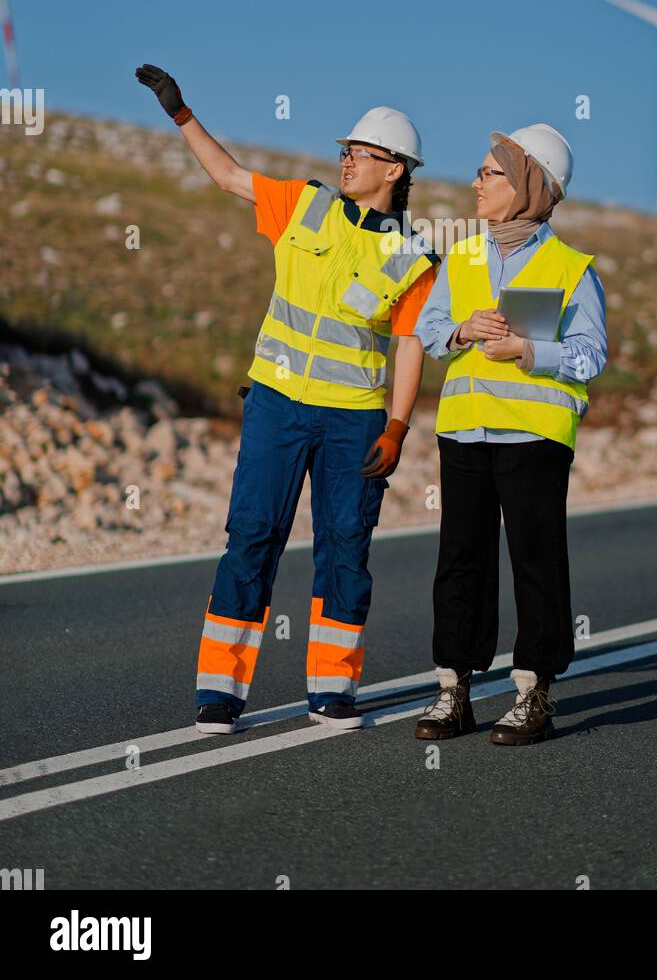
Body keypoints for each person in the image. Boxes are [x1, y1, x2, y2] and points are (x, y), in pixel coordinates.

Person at [135, 65, 438, 733]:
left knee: (344, 546)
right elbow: (228, 178)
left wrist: (397, 428)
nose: (346, 161)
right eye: (345, 151)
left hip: (354, 420)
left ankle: (333, 691)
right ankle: (220, 693)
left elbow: (410, 346)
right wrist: (182, 113)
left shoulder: (414, 258)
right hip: (275, 404)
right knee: (252, 535)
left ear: (394, 170)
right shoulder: (305, 204)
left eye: (359, 154)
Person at [413, 123, 606, 745]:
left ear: (530, 186)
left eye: (491, 174)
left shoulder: (570, 267)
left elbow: (591, 354)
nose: (476, 183)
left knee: (536, 562)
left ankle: (534, 693)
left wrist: (530, 350)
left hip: (535, 435)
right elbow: (429, 329)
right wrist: (464, 330)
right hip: (465, 431)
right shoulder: (463, 254)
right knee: (460, 560)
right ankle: (454, 690)